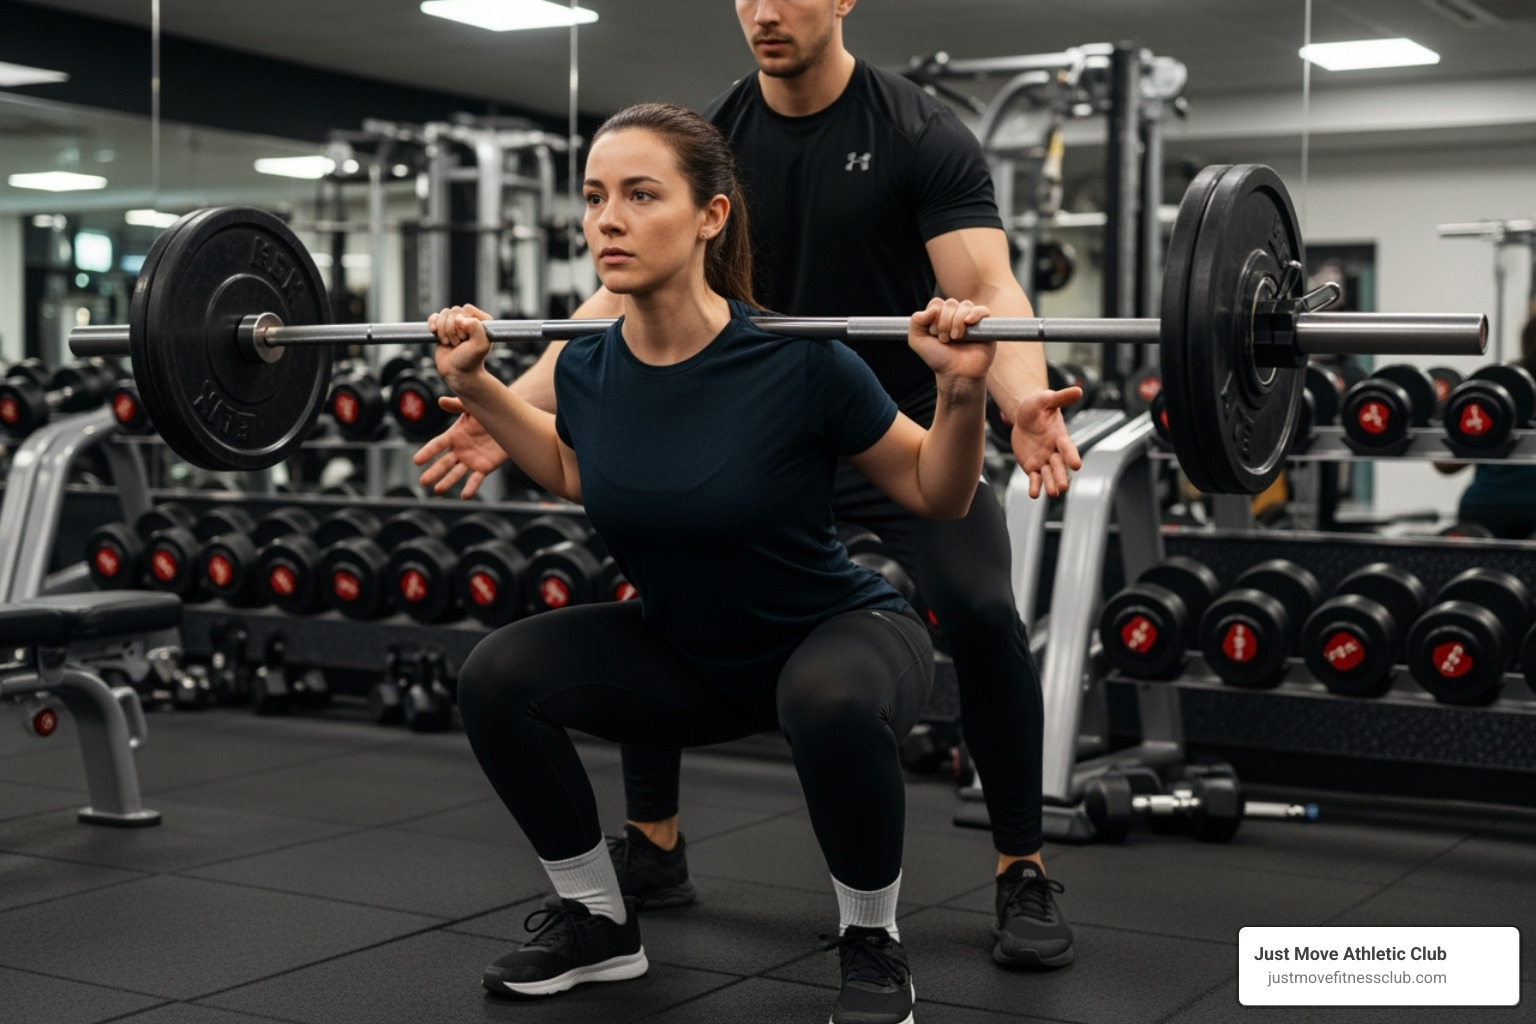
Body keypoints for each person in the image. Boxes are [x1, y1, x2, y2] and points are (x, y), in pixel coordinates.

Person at [416, 0, 1082, 971]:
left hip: (885, 424)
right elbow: (620, 291)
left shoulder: (917, 132)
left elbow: (986, 283)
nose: (765, 11)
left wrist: (1017, 391)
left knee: (981, 605)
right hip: (747, 429)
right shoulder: (713, 137)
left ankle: (1019, 865)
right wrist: (509, 395)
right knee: (672, 578)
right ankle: (653, 846)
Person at [1434, 307, 1536, 538]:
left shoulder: (1496, 384)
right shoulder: (1500, 386)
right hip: (1491, 510)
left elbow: (1443, 464)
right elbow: (1443, 463)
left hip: (1483, 506)